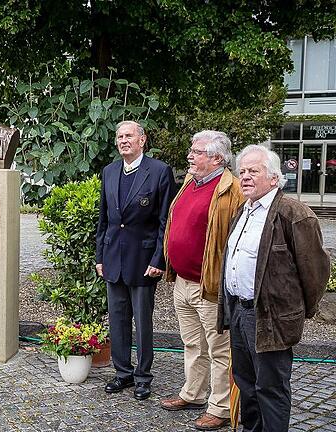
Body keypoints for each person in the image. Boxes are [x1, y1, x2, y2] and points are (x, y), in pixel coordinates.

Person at [218, 145, 329, 432]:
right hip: (240, 311)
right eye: (242, 171)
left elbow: (315, 271)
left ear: (274, 178)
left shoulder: (293, 213)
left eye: (254, 171)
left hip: (270, 317)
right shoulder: (244, 209)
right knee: (246, 385)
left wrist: (296, 312)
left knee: (271, 387)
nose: (245, 177)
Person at [160, 131, 243, 430]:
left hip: (210, 287)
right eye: (191, 151)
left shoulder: (232, 191)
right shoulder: (189, 183)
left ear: (217, 158)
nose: (190, 157)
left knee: (219, 349)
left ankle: (219, 408)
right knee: (192, 343)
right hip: (183, 282)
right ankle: (192, 393)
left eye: (196, 152)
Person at [95, 120, 175, 401]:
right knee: (117, 319)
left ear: (142, 140)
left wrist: (159, 259)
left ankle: (143, 376)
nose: (123, 140)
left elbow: (165, 221)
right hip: (113, 258)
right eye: (119, 136)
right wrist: (99, 256)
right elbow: (103, 219)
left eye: (129, 135)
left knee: (142, 322)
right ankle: (122, 373)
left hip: (143, 261)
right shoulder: (109, 171)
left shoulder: (159, 171)